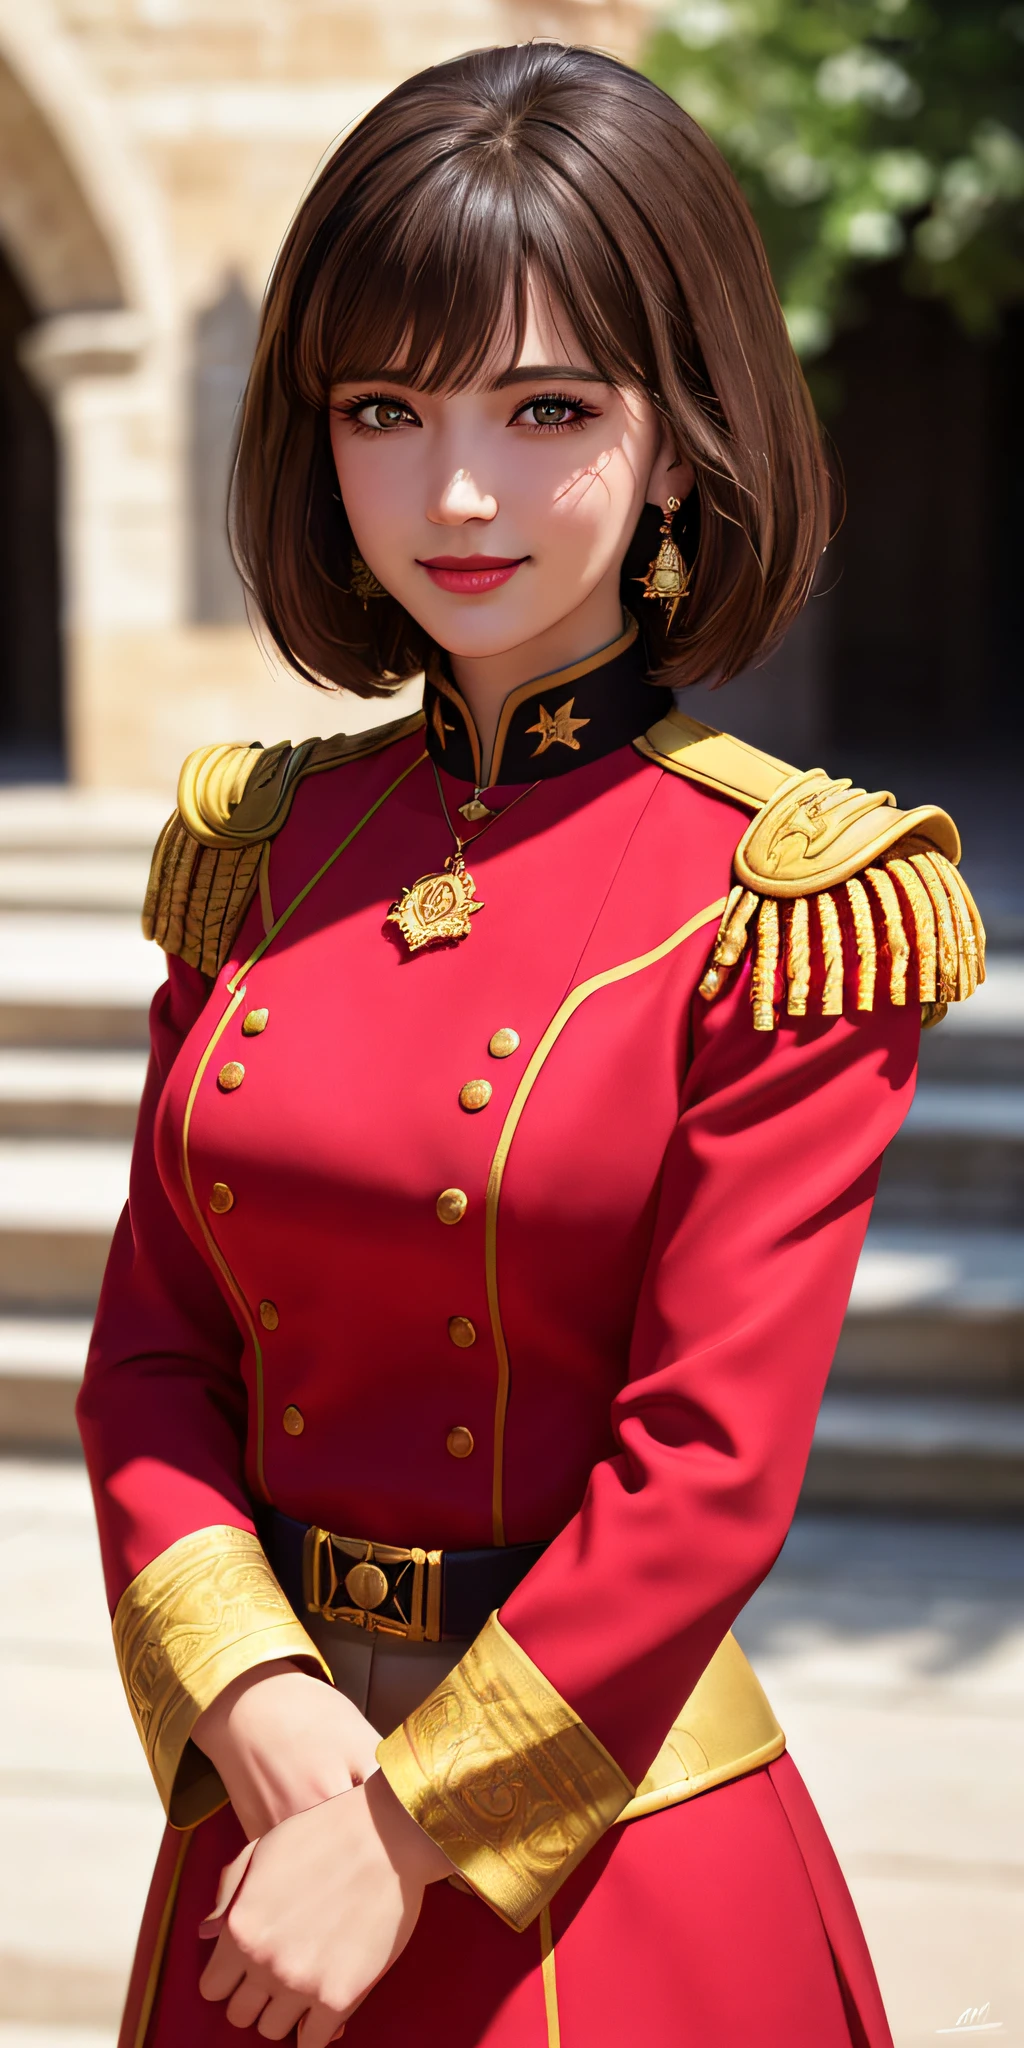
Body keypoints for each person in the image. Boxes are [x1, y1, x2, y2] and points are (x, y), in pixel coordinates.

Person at [77, 41, 984, 2048]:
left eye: (545, 407)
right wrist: (261, 1702)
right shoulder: (255, 851)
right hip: (264, 1822)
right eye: (383, 410)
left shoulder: (788, 898)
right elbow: (149, 1354)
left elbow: (706, 1471)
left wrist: (400, 1829)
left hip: (610, 1867)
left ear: (677, 439)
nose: (456, 492)